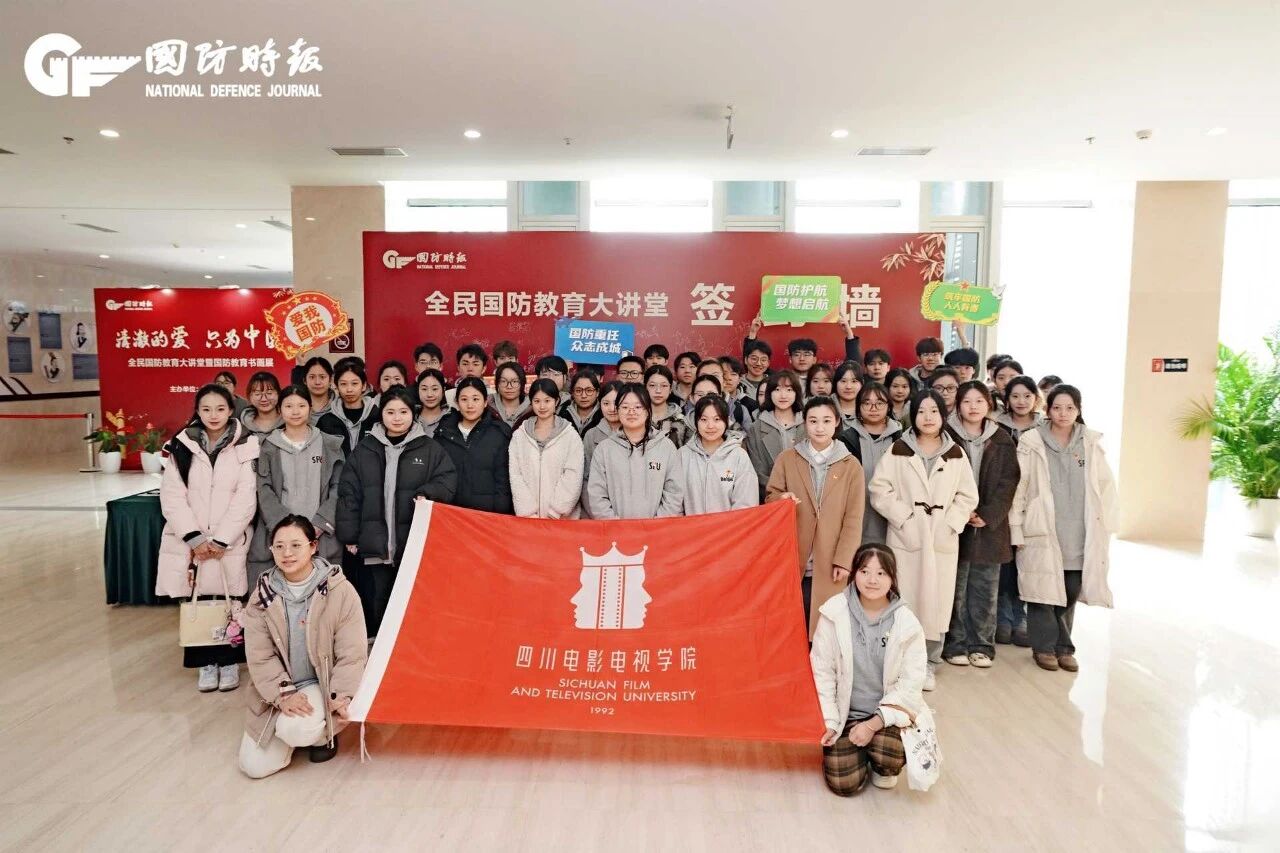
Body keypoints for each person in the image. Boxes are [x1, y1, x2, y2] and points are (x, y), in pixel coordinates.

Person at [237, 515, 367, 779]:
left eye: (296, 545)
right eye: (279, 546)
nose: (287, 553)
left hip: (321, 684)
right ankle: (297, 727)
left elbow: (352, 652)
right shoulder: (261, 596)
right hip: (280, 687)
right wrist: (283, 695)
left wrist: (340, 695)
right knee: (253, 767)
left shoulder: (339, 590)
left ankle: (320, 735)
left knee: (294, 730)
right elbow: (260, 656)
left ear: (313, 546)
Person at [868, 389, 978, 691]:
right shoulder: (898, 450)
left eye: (933, 411)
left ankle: (929, 662)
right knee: (904, 599)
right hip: (907, 537)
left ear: (943, 415)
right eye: (921, 411)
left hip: (941, 539)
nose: (927, 417)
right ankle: (900, 662)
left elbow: (968, 496)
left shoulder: (956, 454)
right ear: (912, 416)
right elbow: (879, 489)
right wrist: (904, 517)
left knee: (937, 603)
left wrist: (951, 523)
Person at [157, 383, 260, 693]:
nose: (213, 415)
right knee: (197, 599)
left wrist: (222, 539)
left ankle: (228, 662)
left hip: (229, 541)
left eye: (220, 409)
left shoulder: (246, 444)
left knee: (230, 601)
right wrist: (195, 538)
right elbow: (172, 495)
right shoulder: (180, 445)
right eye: (206, 409)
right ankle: (204, 664)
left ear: (231, 410)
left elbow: (246, 496)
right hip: (192, 541)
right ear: (197, 411)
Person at [1009, 385, 1118, 673]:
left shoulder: (1090, 442)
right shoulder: (1032, 441)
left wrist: (1107, 524)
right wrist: (1016, 526)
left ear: (1078, 410)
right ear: (1047, 409)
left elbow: (1106, 486)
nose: (1063, 413)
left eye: (1070, 408)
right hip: (1042, 526)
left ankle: (1061, 644)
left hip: (1080, 530)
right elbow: (1020, 486)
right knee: (1042, 590)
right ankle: (1048, 648)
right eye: (1057, 407)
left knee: (1070, 589)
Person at [337, 387, 457, 635]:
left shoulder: (429, 448)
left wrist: (428, 492)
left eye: (403, 411)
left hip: (412, 544)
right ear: (381, 414)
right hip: (375, 545)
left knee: (412, 602)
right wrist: (350, 535)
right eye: (390, 412)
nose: (397, 418)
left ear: (413, 413)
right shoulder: (365, 449)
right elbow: (349, 493)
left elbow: (447, 480)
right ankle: (380, 648)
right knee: (378, 601)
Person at [811, 543, 928, 795]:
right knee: (844, 785)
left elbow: (911, 684)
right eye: (864, 571)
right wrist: (830, 721)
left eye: (881, 573)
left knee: (890, 755)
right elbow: (822, 673)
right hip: (845, 715)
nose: (872, 580)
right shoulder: (834, 612)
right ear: (854, 573)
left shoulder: (906, 623)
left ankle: (880, 765)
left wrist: (873, 724)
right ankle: (858, 752)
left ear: (892, 577)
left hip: (886, 716)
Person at [766, 395, 866, 638]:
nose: (819, 427)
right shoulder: (788, 458)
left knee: (826, 626)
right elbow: (770, 497)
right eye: (813, 421)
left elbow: (854, 518)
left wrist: (844, 559)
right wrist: (782, 499)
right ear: (804, 423)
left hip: (830, 557)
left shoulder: (851, 465)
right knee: (791, 621)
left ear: (837, 422)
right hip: (794, 552)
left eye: (826, 421)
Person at [941, 382, 1020, 669]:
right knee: (955, 588)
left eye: (979, 401)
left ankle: (982, 645)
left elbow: (1008, 483)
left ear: (989, 404)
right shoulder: (946, 436)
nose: (973, 407)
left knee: (985, 589)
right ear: (958, 405)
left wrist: (987, 514)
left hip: (990, 528)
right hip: (955, 523)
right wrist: (961, 511)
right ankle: (955, 643)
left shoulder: (1002, 438)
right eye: (967, 401)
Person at [248, 384, 346, 587]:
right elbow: (264, 489)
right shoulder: (269, 446)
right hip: (279, 532)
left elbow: (338, 487)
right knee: (277, 592)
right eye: (288, 406)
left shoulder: (329, 444)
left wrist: (320, 524)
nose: (295, 411)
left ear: (310, 408)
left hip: (319, 533)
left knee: (323, 592)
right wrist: (284, 528)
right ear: (280, 410)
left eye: (301, 405)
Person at [586, 383, 683, 519]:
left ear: (648, 410)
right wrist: (616, 525)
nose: (631, 412)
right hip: (615, 529)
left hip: (657, 528)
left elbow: (674, 492)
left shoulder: (666, 447)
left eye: (638, 407)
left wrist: (656, 525)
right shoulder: (604, 449)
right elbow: (597, 495)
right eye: (625, 407)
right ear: (618, 410)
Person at [436, 377, 515, 514]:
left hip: (487, 516)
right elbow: (437, 478)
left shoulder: (499, 434)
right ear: (457, 402)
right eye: (464, 399)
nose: (470, 405)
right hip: (451, 515)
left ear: (485, 402)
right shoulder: (443, 433)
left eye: (475, 399)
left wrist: (500, 515)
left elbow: (503, 483)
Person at [837, 382, 903, 545]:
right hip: (855, 519)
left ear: (889, 406)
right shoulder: (845, 440)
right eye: (867, 403)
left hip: (894, 522)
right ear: (858, 407)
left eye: (879, 403)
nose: (873, 408)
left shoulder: (901, 440)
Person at [509, 379, 584, 518]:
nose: (542, 406)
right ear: (531, 403)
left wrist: (555, 511)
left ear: (556, 401)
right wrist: (528, 513)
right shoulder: (520, 435)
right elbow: (515, 475)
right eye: (537, 401)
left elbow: (573, 475)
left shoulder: (570, 435)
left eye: (547, 401)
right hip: (529, 520)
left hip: (561, 520)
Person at [678, 394, 758, 515]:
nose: (710, 426)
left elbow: (746, 504)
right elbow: (675, 501)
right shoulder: (683, 455)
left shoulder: (739, 456)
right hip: (690, 526)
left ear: (726, 421)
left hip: (729, 527)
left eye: (717, 419)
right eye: (704, 419)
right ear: (696, 421)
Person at [744, 369, 804, 498]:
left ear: (797, 393)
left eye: (789, 390)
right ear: (769, 393)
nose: (783, 395)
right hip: (771, 498)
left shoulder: (807, 425)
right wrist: (777, 493)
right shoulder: (756, 428)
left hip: (805, 496)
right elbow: (756, 470)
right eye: (777, 390)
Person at [580, 380, 623, 518]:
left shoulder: (635, 433)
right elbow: (585, 478)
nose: (612, 408)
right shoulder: (591, 435)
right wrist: (596, 512)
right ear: (599, 404)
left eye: (616, 403)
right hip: (596, 510)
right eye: (606, 403)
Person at [316, 362, 377, 456]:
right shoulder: (326, 421)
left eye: (354, 383)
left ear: (364, 386)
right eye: (343, 384)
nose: (349, 389)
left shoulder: (377, 417)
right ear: (337, 387)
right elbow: (317, 455)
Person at [645, 364, 690, 449]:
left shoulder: (682, 421)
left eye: (664, 385)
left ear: (670, 389)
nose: (658, 391)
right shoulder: (636, 417)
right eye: (652, 385)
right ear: (645, 387)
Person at [239, 371, 282, 438]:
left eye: (269, 393)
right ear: (250, 396)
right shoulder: (240, 425)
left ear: (278, 394)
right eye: (257, 394)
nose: (264, 399)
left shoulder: (289, 421)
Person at [490, 361, 531, 427]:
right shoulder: (487, 407)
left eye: (514, 381)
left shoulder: (533, 409)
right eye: (503, 381)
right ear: (497, 384)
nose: (509, 387)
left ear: (522, 383)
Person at [560, 370, 600, 435]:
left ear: (597, 392)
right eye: (578, 391)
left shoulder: (604, 415)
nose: (583, 396)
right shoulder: (561, 413)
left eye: (589, 390)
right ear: (572, 393)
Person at [415, 368, 451, 438]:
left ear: (443, 390)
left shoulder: (453, 418)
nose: (429, 394)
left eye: (434, 389)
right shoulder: (410, 417)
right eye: (424, 389)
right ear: (418, 390)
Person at [832, 361, 864, 429]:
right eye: (843, 381)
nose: (848, 387)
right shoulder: (825, 406)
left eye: (854, 381)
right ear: (835, 383)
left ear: (862, 383)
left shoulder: (869, 408)